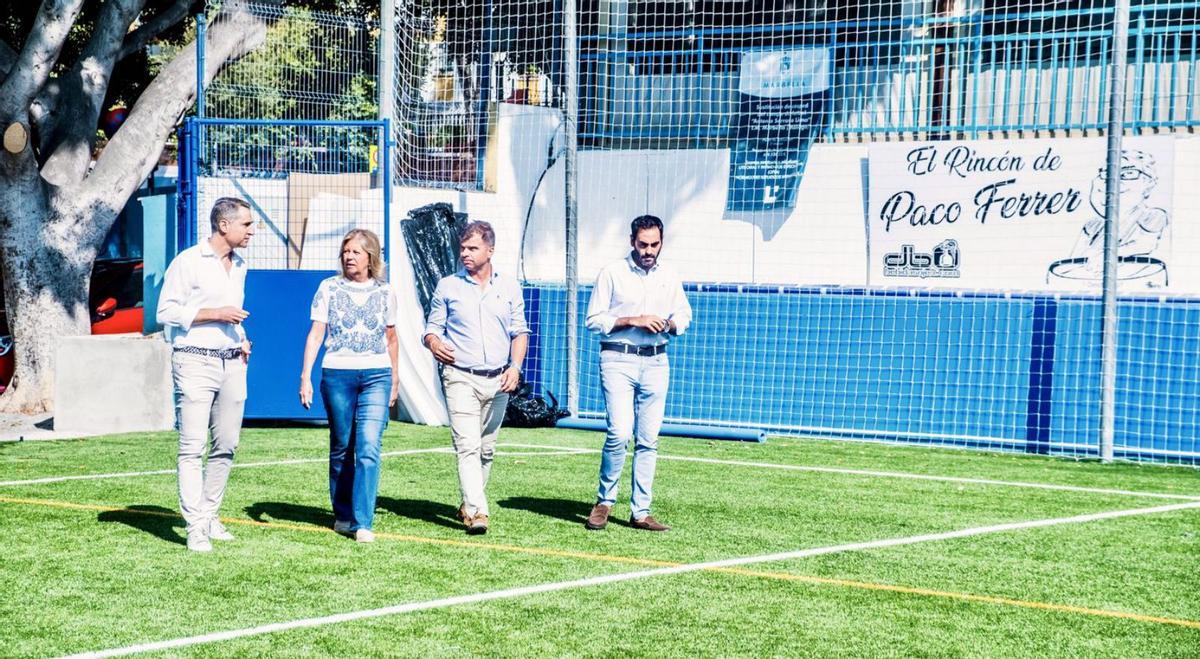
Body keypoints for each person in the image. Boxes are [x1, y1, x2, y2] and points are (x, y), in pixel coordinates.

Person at [157, 197, 256, 552]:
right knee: (192, 447)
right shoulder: (188, 261)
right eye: (246, 224)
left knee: (227, 444)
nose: (252, 230)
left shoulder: (241, 264)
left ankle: (210, 514)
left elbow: (234, 316)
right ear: (224, 225)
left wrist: (242, 340)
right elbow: (165, 311)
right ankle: (195, 526)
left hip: (232, 362)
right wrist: (215, 313)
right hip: (194, 361)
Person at [584, 215, 692, 532]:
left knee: (648, 439)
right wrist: (633, 319)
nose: (648, 250)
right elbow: (594, 320)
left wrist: (670, 325)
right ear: (632, 241)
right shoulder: (612, 274)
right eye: (643, 244)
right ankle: (604, 502)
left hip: (657, 361)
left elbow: (683, 314)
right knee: (619, 433)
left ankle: (640, 512)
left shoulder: (669, 275)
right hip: (618, 359)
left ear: (661, 243)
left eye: (654, 244)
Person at [423, 221, 529, 535]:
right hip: (459, 377)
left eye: (472, 248)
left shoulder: (509, 286)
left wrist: (515, 367)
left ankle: (468, 501)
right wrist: (434, 343)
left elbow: (519, 331)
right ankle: (478, 511)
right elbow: (431, 329)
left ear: (490, 250)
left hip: (498, 381)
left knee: (486, 449)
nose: (465, 254)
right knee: (467, 445)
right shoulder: (447, 286)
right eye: (463, 248)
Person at [300, 229, 400, 544]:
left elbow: (392, 338)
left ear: (371, 257)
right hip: (337, 375)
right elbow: (316, 334)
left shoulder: (386, 292)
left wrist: (395, 379)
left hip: (376, 376)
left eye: (356, 252)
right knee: (342, 447)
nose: (349, 257)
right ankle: (342, 514)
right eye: (346, 251)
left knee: (369, 446)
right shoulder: (328, 288)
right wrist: (305, 376)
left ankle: (363, 521)